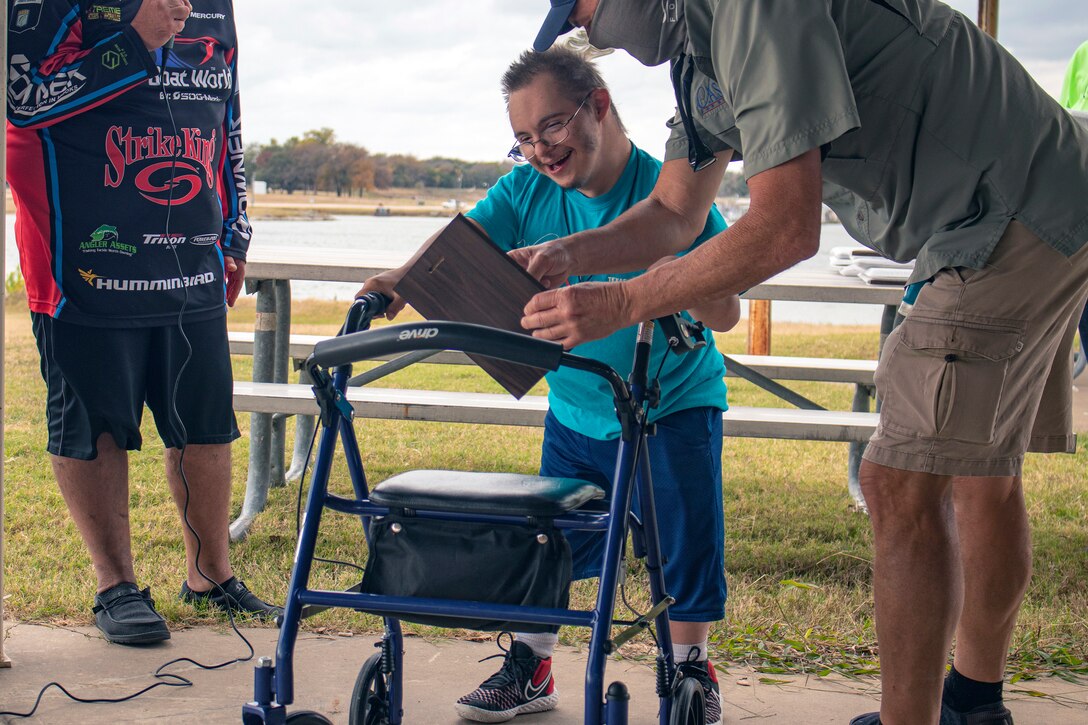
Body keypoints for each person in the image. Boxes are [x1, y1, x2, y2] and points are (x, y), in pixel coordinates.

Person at [520, 2, 1088, 725]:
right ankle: (975, 704)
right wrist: (570, 255)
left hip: (1008, 212)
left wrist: (624, 300)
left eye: (585, 10)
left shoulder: (753, 10)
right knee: (981, 472)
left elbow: (787, 226)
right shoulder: (705, 55)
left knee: (897, 481)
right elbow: (673, 211)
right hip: (1035, 195)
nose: (587, 31)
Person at [359, 45, 739, 724]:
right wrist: (398, 280)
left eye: (553, 128)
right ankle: (531, 666)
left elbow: (727, 310)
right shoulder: (525, 192)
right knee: (549, 539)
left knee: (683, 542)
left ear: (599, 105)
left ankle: (689, 669)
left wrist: (666, 277)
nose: (540, 151)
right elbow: (461, 244)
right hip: (576, 404)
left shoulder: (668, 195)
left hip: (670, 402)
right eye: (525, 139)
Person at [6, 0, 280, 645]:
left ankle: (211, 574)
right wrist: (133, 42)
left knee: (206, 424)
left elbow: (226, 120)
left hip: (191, 260)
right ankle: (115, 585)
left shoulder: (213, 6)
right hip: (84, 267)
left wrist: (235, 232)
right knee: (94, 426)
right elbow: (23, 103)